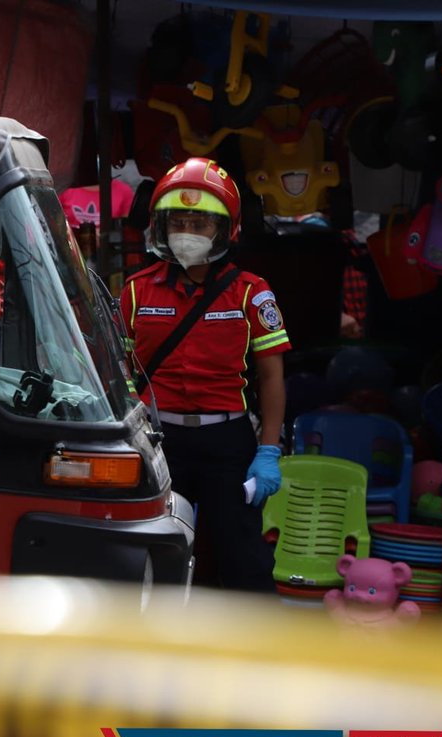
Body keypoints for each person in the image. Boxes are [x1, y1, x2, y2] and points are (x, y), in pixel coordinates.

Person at [119, 156, 288, 592]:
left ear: (225, 230)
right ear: (160, 226)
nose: (187, 234)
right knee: (154, 555)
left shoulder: (252, 291)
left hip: (228, 443)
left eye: (200, 224)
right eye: (178, 222)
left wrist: (268, 450)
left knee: (243, 559)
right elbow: (117, 371)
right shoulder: (136, 290)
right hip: (158, 443)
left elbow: (271, 377)